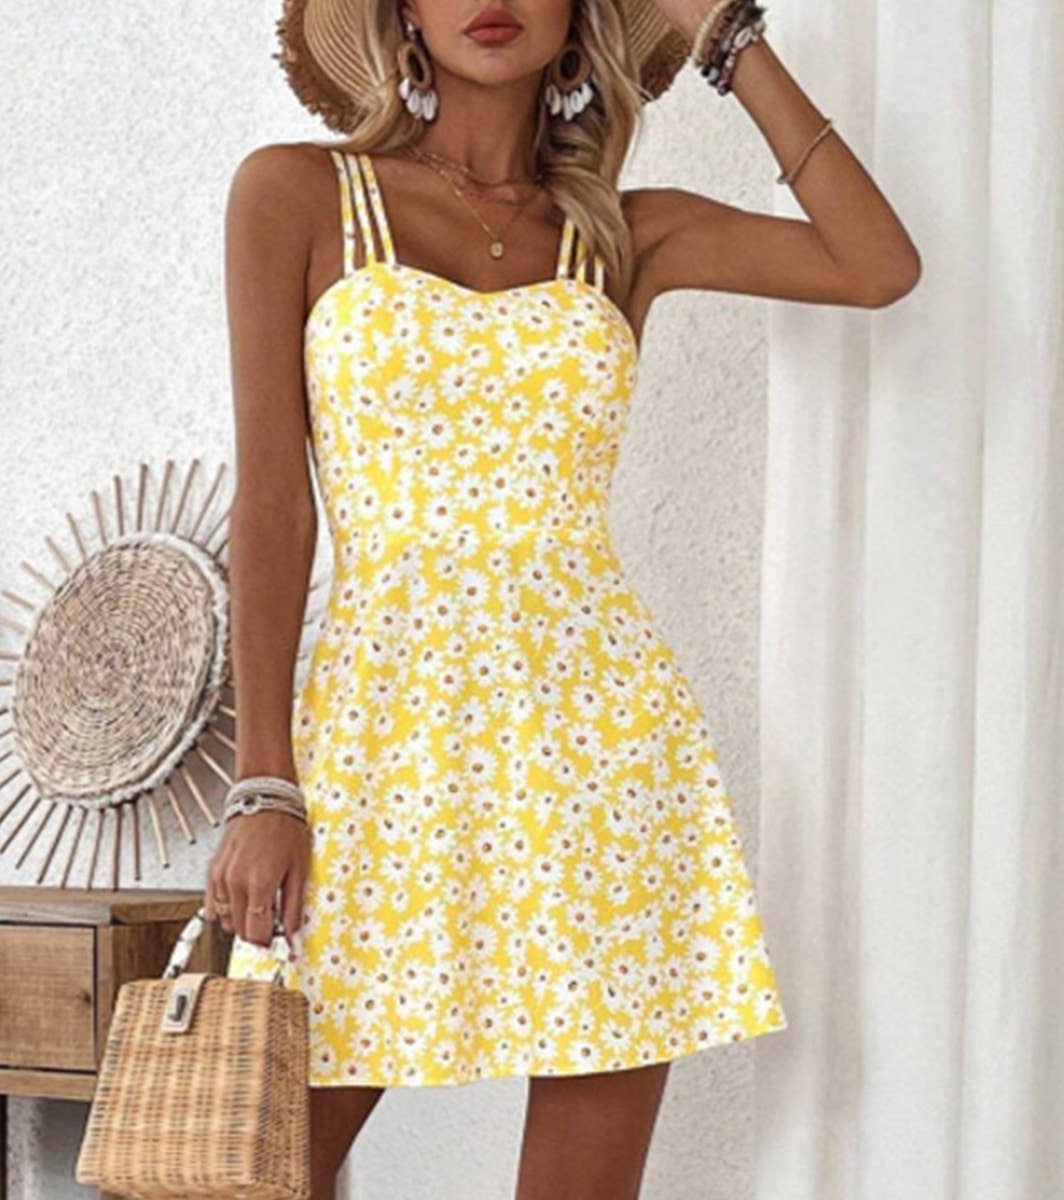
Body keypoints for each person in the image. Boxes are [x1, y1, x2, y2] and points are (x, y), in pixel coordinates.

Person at [208, 1, 921, 1196]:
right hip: (377, 746)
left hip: (600, 751)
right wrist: (264, 781)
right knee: (256, 1173)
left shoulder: (627, 234)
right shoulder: (296, 194)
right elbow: (275, 507)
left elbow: (877, 263)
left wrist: (726, 38)